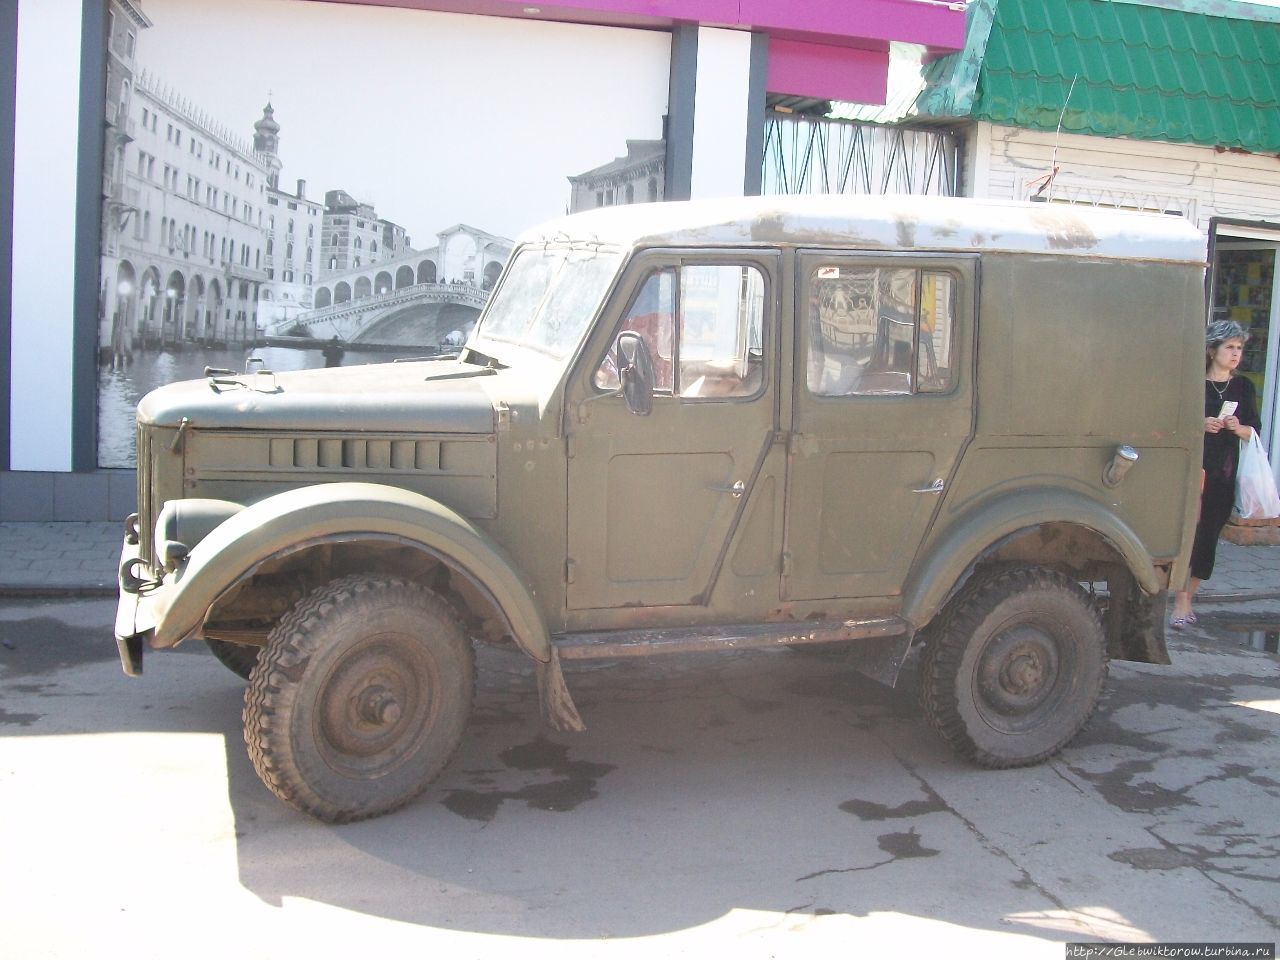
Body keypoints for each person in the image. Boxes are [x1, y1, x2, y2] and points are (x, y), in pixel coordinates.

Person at [1171, 320, 1260, 628]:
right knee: (1188, 536)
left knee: (1208, 538)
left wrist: (1240, 428)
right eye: (1230, 347)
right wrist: (1201, 423)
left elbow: (1254, 431)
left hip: (1222, 473)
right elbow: (1174, 423)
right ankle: (1178, 599)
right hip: (1192, 470)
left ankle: (1189, 596)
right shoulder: (1193, 383)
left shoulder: (1243, 387)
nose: (1236, 354)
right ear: (1212, 350)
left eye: (1240, 348)